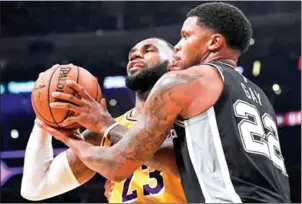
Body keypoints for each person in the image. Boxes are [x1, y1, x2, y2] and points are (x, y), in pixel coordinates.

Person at [39, 2, 291, 203]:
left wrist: (70, 138)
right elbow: (180, 162)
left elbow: (117, 166)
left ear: (214, 42)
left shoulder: (185, 81)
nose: (178, 46)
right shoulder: (257, 96)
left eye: (185, 36)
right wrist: (107, 125)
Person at [21, 38, 187, 203]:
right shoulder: (103, 133)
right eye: (131, 55)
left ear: (175, 62)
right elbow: (35, 188)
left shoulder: (191, 118)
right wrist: (44, 115)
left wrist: (107, 125)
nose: (136, 55)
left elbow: (183, 163)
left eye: (149, 50)